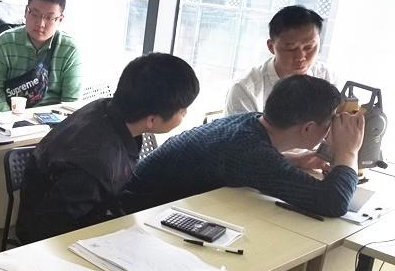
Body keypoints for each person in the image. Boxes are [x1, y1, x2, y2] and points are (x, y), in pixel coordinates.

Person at [16, 53, 199, 244]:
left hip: (86, 224)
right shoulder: (96, 162)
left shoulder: (105, 108)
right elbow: (50, 230)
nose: (185, 114)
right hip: (55, 243)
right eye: (182, 111)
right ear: (151, 120)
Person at [128, 75, 364, 218]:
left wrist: (295, 159)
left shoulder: (250, 122)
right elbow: (333, 202)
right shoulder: (250, 152)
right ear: (308, 128)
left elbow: (239, 162)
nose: (330, 131)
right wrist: (348, 151)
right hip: (133, 215)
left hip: (142, 201)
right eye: (329, 125)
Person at [225, 5, 335, 114]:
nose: (300, 57)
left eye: (309, 47)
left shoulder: (325, 76)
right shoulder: (245, 90)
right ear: (271, 47)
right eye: (291, 49)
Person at [0, 0, 82, 111]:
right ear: (26, 11)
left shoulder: (69, 49)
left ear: (60, 20)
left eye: (49, 18)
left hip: (52, 118)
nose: (40, 23)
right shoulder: (4, 42)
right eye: (35, 14)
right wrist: (9, 117)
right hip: (9, 116)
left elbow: (71, 102)